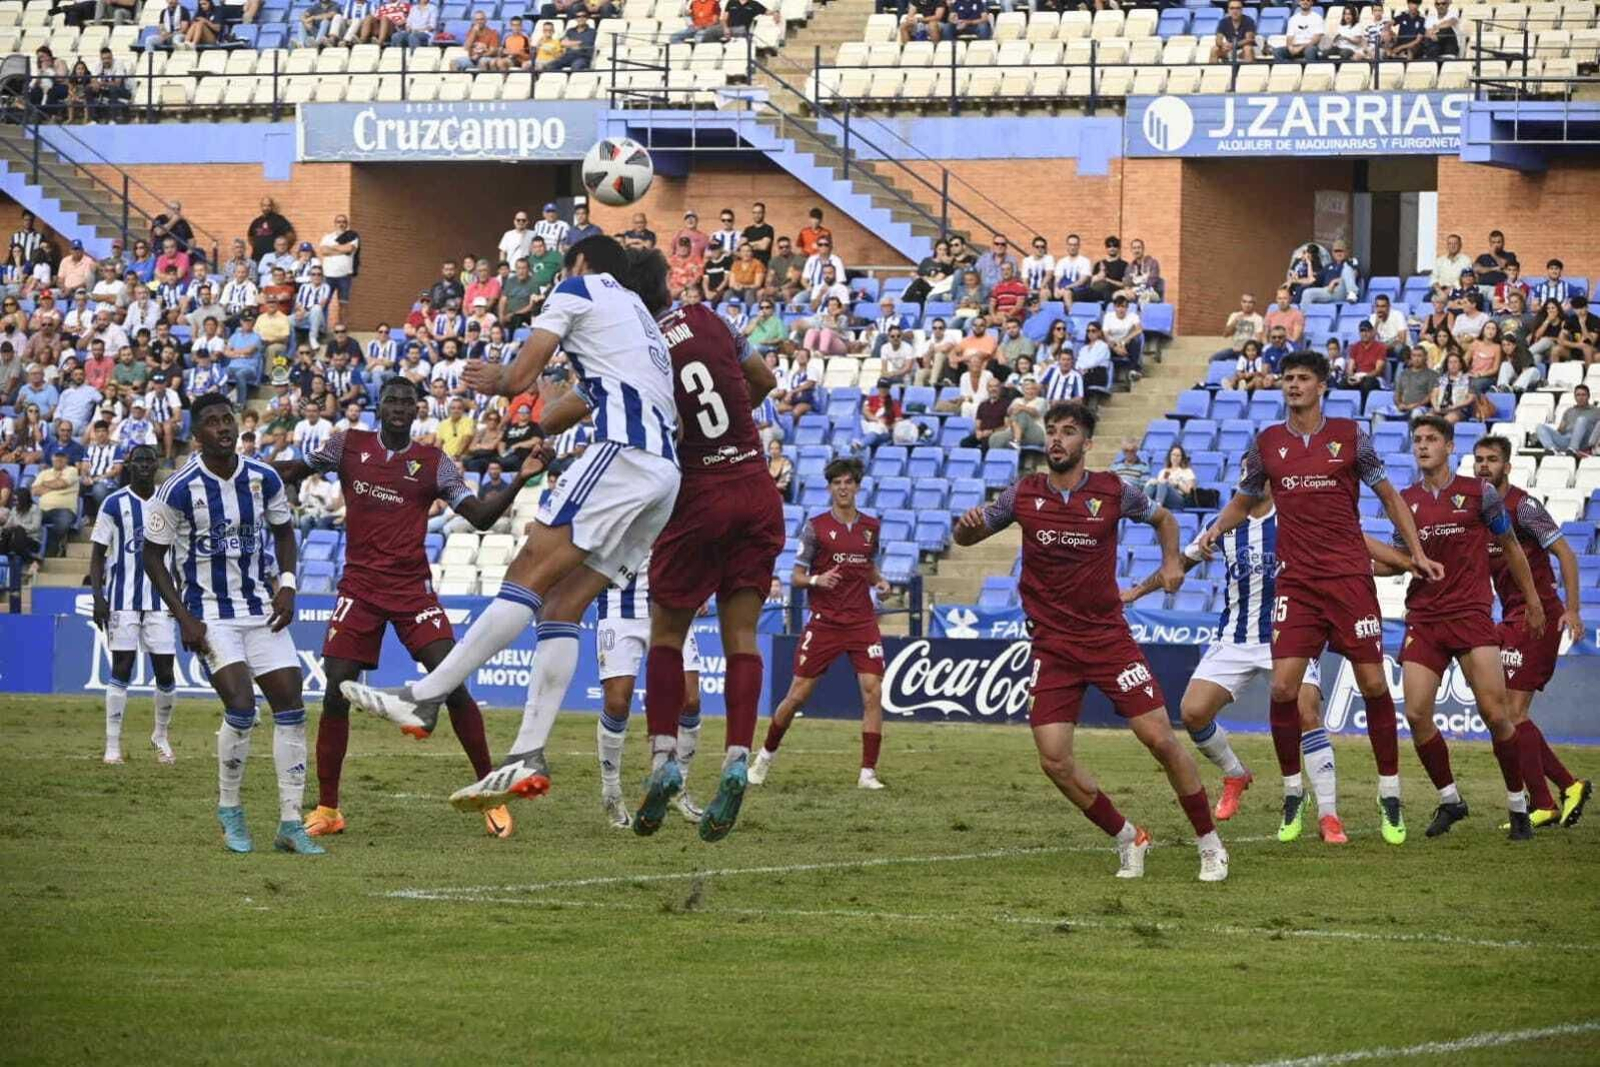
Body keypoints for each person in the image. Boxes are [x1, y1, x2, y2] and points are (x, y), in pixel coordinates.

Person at [341, 237, 682, 817]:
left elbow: (519, 378)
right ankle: (528, 753)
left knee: (525, 572)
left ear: (579, 264)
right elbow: (560, 409)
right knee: (561, 606)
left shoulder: (580, 289)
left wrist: (497, 379)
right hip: (663, 477)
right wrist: (541, 416)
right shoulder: (637, 322)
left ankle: (424, 697)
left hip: (624, 454)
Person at [953, 401, 1226, 880]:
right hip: (1053, 646)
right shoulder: (1023, 494)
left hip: (1107, 639)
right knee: (1054, 760)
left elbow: (1166, 519)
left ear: (1086, 443)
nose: (1057, 439)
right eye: (1052, 431)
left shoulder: (1113, 491)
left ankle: (1209, 842)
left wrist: (1169, 564)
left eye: (1068, 432)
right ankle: (1129, 837)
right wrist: (965, 528)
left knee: (1160, 739)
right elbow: (968, 539)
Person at [273, 378, 544, 840]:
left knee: (452, 683)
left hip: (412, 590)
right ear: (379, 406)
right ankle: (328, 809)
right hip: (358, 588)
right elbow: (294, 470)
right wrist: (248, 473)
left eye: (406, 402)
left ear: (417, 410)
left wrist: (520, 477)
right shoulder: (346, 445)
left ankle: (490, 794)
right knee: (336, 692)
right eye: (391, 400)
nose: (398, 408)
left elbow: (479, 516)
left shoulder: (433, 462)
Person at [1197, 351, 1441, 845]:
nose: (1293, 385)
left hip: (1349, 578)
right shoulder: (1266, 443)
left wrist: (1415, 552)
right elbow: (1245, 500)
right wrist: (1214, 530)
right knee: (1284, 689)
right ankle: (1294, 794)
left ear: (1322, 386)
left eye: (1303, 378)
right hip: (1298, 583)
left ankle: (1388, 794)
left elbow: (1391, 498)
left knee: (1373, 685)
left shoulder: (1351, 437)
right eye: (1287, 378)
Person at [1122, 486, 1413, 842]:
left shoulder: (1294, 522)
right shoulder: (1222, 525)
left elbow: (1354, 554)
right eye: (1246, 471)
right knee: (1193, 712)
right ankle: (1235, 773)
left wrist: (1405, 563)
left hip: (1290, 634)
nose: (1251, 478)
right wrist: (1137, 592)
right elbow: (1180, 563)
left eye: (1257, 472)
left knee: (1307, 712)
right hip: (1235, 638)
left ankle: (1328, 815)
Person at [139, 393, 322, 855]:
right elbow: (153, 556)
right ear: (197, 435)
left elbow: (284, 531)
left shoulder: (263, 479)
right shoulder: (176, 489)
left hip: (261, 609)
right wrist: (183, 617)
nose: (224, 427)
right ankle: (230, 809)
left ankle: (290, 823)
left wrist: (287, 585)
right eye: (213, 422)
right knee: (242, 707)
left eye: (228, 419)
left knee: (292, 708)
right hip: (210, 616)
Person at [1370, 417, 1538, 840]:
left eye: (1431, 440)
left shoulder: (1477, 493)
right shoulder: (1404, 501)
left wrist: (1533, 600)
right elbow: (1400, 560)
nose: (1422, 446)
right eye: (1417, 441)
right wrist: (1352, 565)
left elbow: (1512, 547)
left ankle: (1519, 804)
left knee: (1496, 715)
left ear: (1448, 446)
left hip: (1471, 615)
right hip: (1424, 618)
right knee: (1415, 712)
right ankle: (1450, 800)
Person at [1473, 436, 1592, 829]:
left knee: (1511, 713)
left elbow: (1566, 554)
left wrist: (1571, 610)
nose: (1484, 466)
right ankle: (1564, 789)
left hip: (1538, 615)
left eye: (1492, 460)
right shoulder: (1479, 509)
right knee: (1502, 714)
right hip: (1510, 618)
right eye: (1479, 460)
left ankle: (1547, 799)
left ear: (1506, 466)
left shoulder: (1523, 506)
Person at [750, 457, 890, 792]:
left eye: (848, 482)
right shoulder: (816, 526)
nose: (843, 488)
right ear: (829, 487)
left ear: (857, 486)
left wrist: (880, 581)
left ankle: (867, 772)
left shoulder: (871, 526)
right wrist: (817, 579)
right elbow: (796, 577)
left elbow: (866, 565)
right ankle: (764, 757)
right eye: (837, 483)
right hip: (825, 623)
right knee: (797, 696)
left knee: (872, 691)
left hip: (862, 622)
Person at [591, 559, 709, 829]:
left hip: (672, 607)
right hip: (618, 610)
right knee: (617, 703)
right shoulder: (611, 514)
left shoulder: (677, 513)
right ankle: (611, 792)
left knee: (690, 700)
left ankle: (677, 786)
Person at [89, 445, 178, 766]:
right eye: (137, 460)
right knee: (121, 668)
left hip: (160, 602)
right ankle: (112, 745)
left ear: (156, 465)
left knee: (166, 672)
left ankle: (161, 735)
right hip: (123, 601)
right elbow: (98, 554)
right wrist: (99, 597)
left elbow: (178, 555)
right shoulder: (114, 503)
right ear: (128, 465)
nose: (143, 465)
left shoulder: (168, 501)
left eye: (148, 460)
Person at [1144, 444, 1196, 510]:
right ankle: (1143, 507)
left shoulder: (1187, 471)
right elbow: (1161, 484)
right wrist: (1155, 481)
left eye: (1178, 456)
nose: (1175, 457)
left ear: (1182, 457)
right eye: (1173, 455)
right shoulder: (1164, 471)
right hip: (1163, 497)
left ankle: (1158, 508)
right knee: (1151, 484)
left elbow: (1189, 491)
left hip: (1179, 499)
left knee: (1164, 483)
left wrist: (1177, 484)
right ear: (1170, 456)